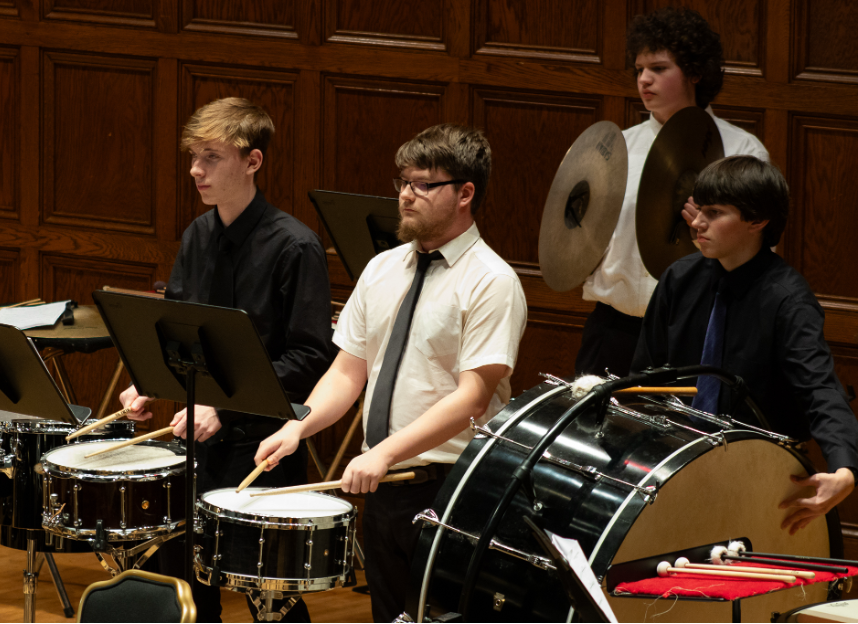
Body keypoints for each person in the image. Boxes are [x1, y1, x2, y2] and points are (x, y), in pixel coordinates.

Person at [255, 124, 527, 622]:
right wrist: (298, 427)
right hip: (382, 489)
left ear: (465, 193)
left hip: (449, 489)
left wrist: (383, 452)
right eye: (403, 181)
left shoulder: (492, 281)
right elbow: (346, 373)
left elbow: (472, 398)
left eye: (424, 184)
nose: (406, 195)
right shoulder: (382, 269)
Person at [119, 97, 334, 623]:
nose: (196, 170)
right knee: (185, 589)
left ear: (252, 161)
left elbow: (309, 358)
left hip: (263, 448)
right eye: (194, 156)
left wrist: (224, 406)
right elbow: (174, 333)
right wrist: (147, 380)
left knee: (270, 599)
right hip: (195, 441)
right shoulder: (197, 236)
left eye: (211, 157)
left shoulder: (295, 247)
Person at [632, 155, 858, 536]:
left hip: (754, 472)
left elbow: (820, 389)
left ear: (757, 221)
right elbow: (642, 378)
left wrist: (845, 470)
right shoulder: (679, 279)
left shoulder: (788, 300)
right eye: (699, 209)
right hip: (674, 466)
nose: (697, 223)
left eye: (715, 213)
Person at [576, 7, 769, 377]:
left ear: (695, 72)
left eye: (659, 68)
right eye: (639, 70)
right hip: (615, 329)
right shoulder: (614, 149)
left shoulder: (742, 150)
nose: (644, 80)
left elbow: (761, 253)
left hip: (696, 333)